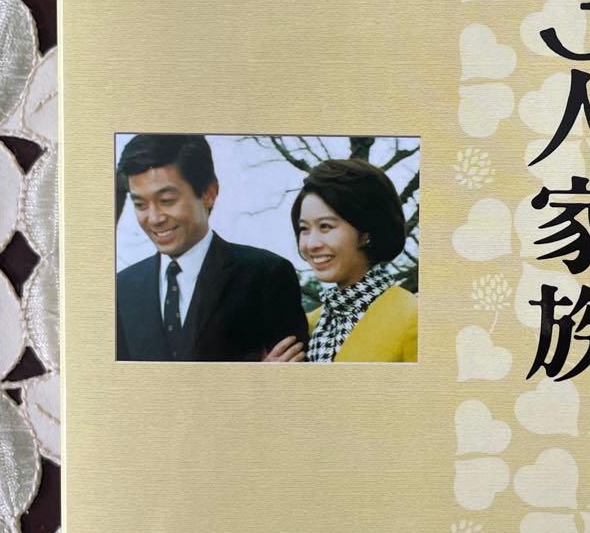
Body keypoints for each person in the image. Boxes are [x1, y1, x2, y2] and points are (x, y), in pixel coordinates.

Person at [115, 134, 308, 362]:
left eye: (166, 200)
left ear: (209, 193)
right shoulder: (122, 287)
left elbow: (293, 379)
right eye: (140, 205)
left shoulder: (267, 275)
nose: (154, 218)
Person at [291, 158, 417, 363]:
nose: (311, 244)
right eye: (304, 228)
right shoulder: (306, 326)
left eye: (325, 226)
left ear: (366, 232)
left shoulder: (415, 318)